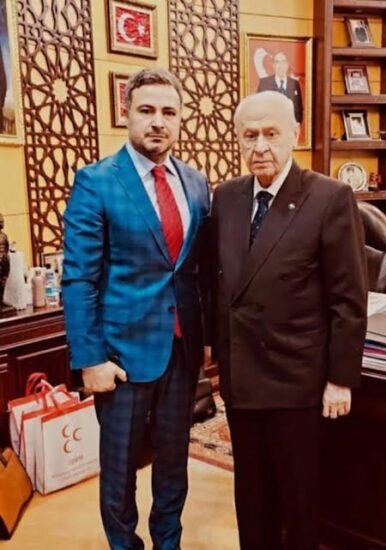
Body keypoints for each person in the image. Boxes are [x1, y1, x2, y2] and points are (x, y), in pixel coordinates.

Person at [211, 91, 367, 550]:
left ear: (294, 134)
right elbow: (219, 283)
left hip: (298, 381)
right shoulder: (227, 197)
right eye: (249, 135)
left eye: (271, 133)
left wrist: (340, 379)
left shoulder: (330, 197)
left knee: (299, 501)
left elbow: (348, 299)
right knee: (251, 495)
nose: (260, 146)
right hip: (242, 379)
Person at [62, 68, 211, 550]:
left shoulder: (196, 183)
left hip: (181, 352)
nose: (158, 121)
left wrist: (208, 339)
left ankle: (169, 542)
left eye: (169, 111)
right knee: (120, 470)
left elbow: (198, 271)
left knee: (173, 465)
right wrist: (90, 359)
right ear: (125, 114)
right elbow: (79, 279)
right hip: (120, 359)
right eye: (146, 110)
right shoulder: (96, 182)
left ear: (181, 118)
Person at [257, 51, 303, 125]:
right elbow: (259, 109)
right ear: (273, 65)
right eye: (277, 62)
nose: (280, 65)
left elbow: (299, 110)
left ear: (287, 65)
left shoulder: (294, 83)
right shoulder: (264, 84)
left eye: (283, 62)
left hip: (289, 128)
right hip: (270, 127)